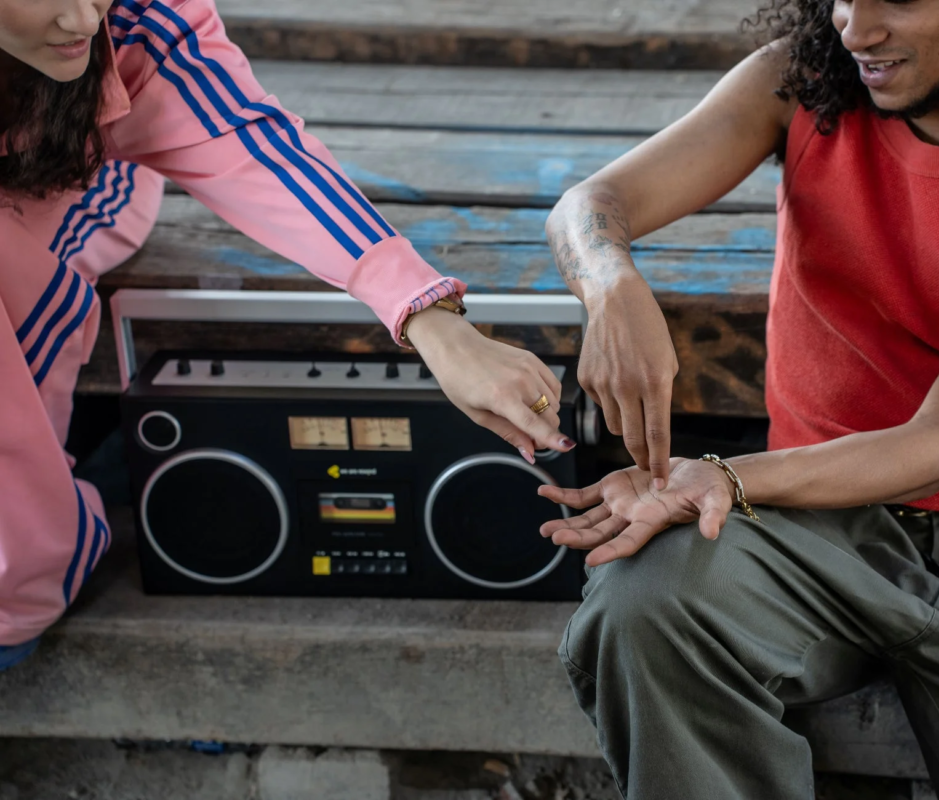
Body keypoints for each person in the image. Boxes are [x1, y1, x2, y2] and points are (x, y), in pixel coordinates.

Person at [539, 0, 939, 797]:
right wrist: (611, 285)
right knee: (642, 605)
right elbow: (589, 205)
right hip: (814, 530)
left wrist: (722, 476)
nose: (857, 27)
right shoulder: (804, 83)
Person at [0, 0, 575, 671]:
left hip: (67, 180)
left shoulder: (135, 19)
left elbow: (256, 150)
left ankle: (18, 593)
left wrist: (434, 323)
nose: (81, 19)